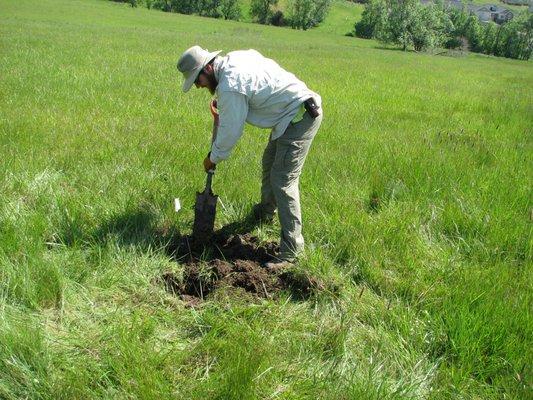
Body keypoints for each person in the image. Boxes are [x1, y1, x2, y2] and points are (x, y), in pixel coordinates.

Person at [177, 45, 322, 269]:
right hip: (288, 114)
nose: (198, 86)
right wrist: (225, 108)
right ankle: (265, 214)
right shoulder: (233, 60)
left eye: (197, 80)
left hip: (299, 116)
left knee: (283, 180)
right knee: (269, 164)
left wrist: (212, 158)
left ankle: (292, 252)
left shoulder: (230, 86)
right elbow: (245, 92)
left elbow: (230, 134)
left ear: (208, 68)